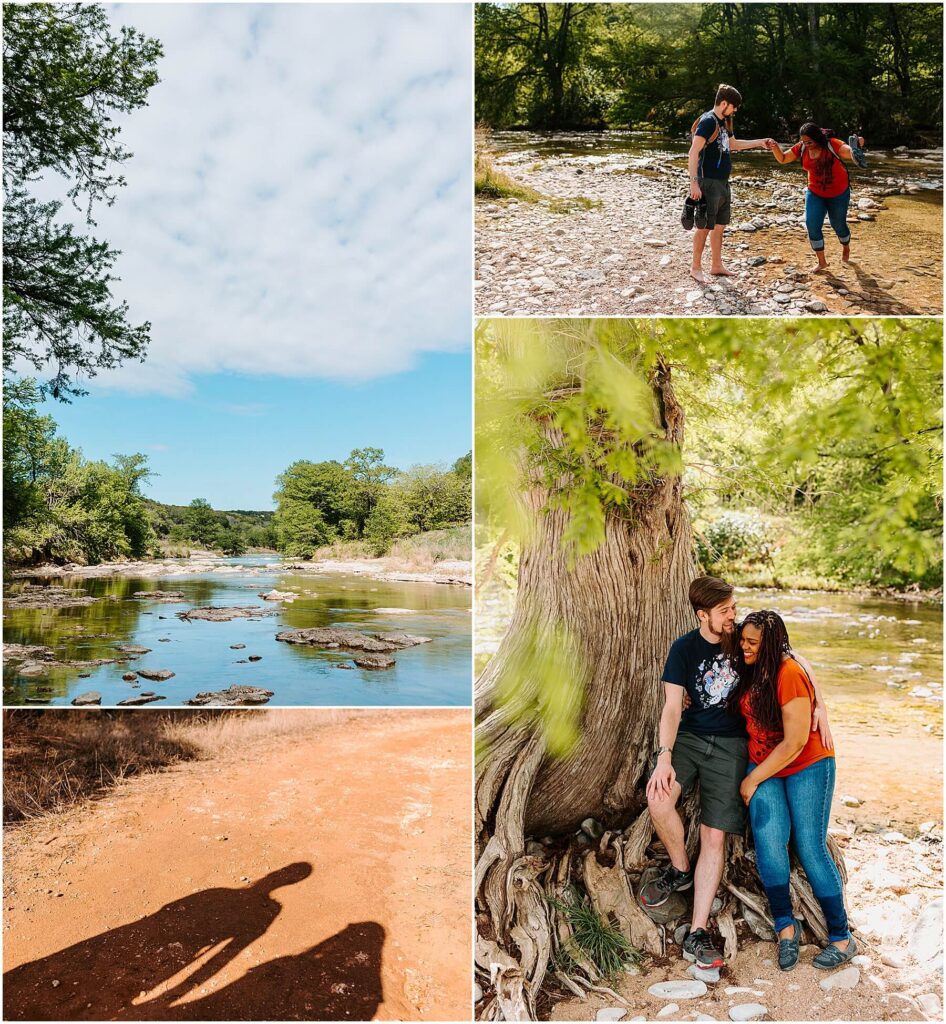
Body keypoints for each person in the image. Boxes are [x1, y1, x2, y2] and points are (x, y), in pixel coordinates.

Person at [641, 576, 831, 970]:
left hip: (732, 746)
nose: (732, 616)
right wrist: (664, 755)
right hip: (690, 739)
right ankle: (680, 869)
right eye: (725, 610)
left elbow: (792, 656)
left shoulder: (740, 638)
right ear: (703, 615)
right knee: (658, 798)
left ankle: (696, 931)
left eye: (732, 608)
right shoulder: (684, 648)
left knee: (714, 834)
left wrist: (820, 704)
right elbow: (672, 708)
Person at [731, 609, 856, 972]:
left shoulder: (789, 673)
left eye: (752, 643)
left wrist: (752, 779)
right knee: (769, 841)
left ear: (769, 644)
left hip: (807, 765)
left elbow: (797, 741)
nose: (744, 647)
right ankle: (786, 926)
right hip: (767, 763)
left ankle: (841, 937)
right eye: (743, 640)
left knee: (809, 845)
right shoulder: (754, 665)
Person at [688, 84, 771, 284]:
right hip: (708, 182)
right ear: (723, 103)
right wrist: (694, 184)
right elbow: (693, 152)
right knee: (704, 227)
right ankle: (695, 267)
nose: (735, 110)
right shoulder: (708, 121)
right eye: (734, 106)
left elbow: (733, 145)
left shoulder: (724, 121)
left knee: (719, 226)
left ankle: (716, 265)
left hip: (723, 182)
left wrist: (760, 142)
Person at [765, 124, 865, 272]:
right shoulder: (802, 148)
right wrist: (774, 147)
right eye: (803, 142)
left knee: (838, 225)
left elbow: (849, 153)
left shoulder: (832, 144)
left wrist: (857, 146)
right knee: (811, 224)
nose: (806, 145)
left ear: (818, 138)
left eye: (809, 142)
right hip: (815, 192)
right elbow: (783, 158)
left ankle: (846, 247)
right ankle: (822, 262)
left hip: (838, 193)